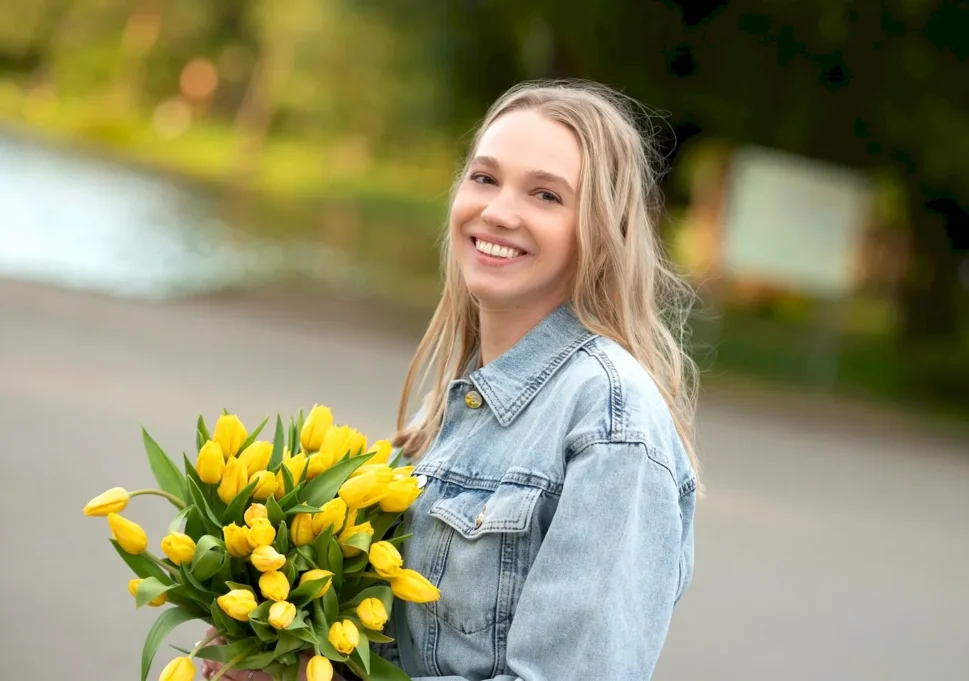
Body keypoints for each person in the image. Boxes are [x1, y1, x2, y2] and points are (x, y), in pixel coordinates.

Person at [203, 79, 699, 681]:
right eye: (485, 178)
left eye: (545, 194)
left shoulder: (610, 415)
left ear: (599, 231)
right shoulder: (448, 411)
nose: (498, 211)